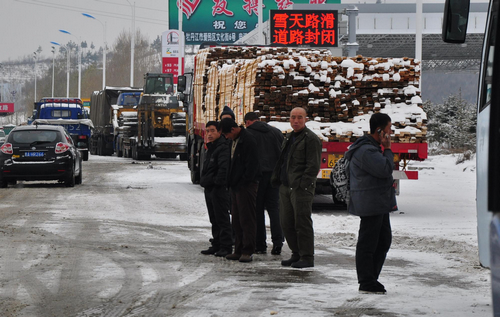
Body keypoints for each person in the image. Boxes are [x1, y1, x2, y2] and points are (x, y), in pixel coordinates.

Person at [344, 112, 396, 294]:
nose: (391, 133)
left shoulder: (371, 148)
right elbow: (386, 169)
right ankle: (366, 281)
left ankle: (371, 279)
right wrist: (388, 149)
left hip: (378, 201)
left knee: (383, 241)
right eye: (389, 129)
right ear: (380, 130)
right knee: (368, 243)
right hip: (370, 202)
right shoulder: (367, 150)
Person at [271, 107, 322, 268]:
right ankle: (296, 253)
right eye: (293, 117)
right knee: (286, 222)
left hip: (301, 189)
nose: (296, 120)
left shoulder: (311, 139)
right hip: (286, 187)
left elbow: (313, 166)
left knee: (302, 222)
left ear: (306, 119)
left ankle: (307, 256)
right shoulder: (289, 137)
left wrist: (302, 185)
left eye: (300, 117)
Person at [220, 117, 261, 263]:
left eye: (226, 134)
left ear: (233, 129)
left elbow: (252, 165)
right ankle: (238, 249)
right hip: (236, 186)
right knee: (236, 219)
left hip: (246, 186)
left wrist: (244, 181)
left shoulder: (248, 140)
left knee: (247, 218)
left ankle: (247, 250)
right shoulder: (234, 140)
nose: (226, 138)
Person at [244, 111, 284, 255]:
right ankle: (278, 242)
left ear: (248, 122)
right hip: (274, 175)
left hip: (257, 176)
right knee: (274, 209)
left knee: (257, 209)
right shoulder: (276, 132)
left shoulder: (248, 134)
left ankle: (260, 244)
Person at [199, 121, 233, 257]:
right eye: (207, 131)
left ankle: (226, 246)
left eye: (212, 131)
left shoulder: (223, 147)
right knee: (214, 218)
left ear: (220, 132)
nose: (209, 134)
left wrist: (214, 182)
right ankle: (217, 244)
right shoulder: (211, 147)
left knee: (222, 218)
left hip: (218, 189)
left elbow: (223, 169)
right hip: (210, 188)